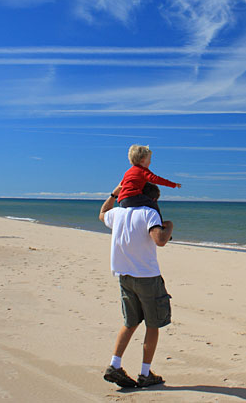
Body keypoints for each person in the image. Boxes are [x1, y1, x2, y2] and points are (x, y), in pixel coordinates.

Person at [100, 181, 175, 389]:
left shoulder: (118, 213)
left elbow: (102, 213)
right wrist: (168, 225)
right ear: (152, 199)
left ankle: (115, 364)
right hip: (147, 277)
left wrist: (114, 192)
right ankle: (145, 373)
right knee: (153, 324)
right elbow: (159, 239)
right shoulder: (149, 213)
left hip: (124, 275)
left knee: (130, 321)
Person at [117, 145, 181, 220]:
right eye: (149, 159)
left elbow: (121, 185)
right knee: (152, 204)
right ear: (143, 160)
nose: (150, 162)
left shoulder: (128, 172)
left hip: (121, 200)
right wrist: (173, 184)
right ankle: (159, 223)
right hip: (133, 197)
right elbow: (157, 179)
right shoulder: (143, 171)